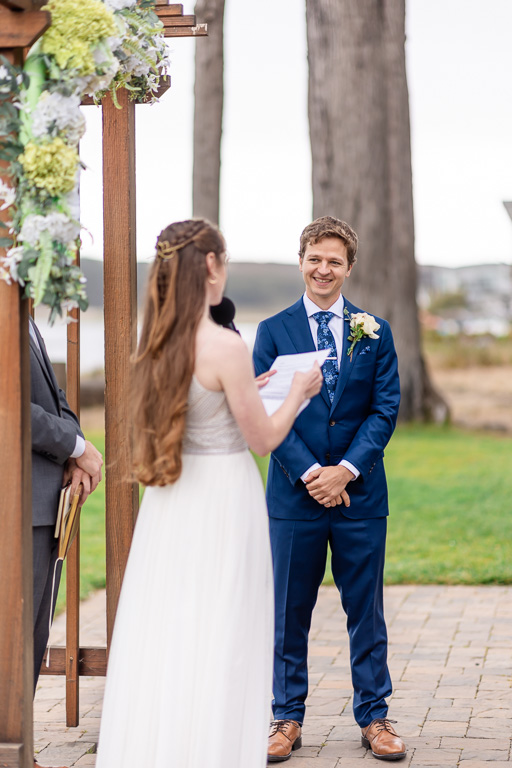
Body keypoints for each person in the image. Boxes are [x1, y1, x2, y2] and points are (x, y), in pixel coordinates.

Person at [95, 218, 322, 768]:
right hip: (222, 500)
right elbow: (264, 439)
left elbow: (196, 406)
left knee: (170, 628)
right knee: (224, 631)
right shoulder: (225, 344)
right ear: (212, 266)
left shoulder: (153, 341)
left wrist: (251, 388)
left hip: (171, 502)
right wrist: (296, 393)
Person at [252, 216, 406, 762]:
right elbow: (266, 408)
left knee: (366, 609)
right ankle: (286, 718)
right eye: (315, 258)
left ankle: (375, 717)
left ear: (349, 268)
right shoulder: (273, 331)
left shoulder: (375, 330)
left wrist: (346, 470)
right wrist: (313, 475)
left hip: (360, 495)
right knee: (289, 609)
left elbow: (385, 409)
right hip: (295, 496)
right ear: (301, 260)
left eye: (335, 261)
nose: (324, 269)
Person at [30, 316, 103, 768]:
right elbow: (10, 401)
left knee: (34, 635)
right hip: (14, 498)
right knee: (12, 634)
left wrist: (77, 445)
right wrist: (76, 447)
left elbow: (55, 397)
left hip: (44, 501)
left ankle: (17, 742)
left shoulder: (23, 307)